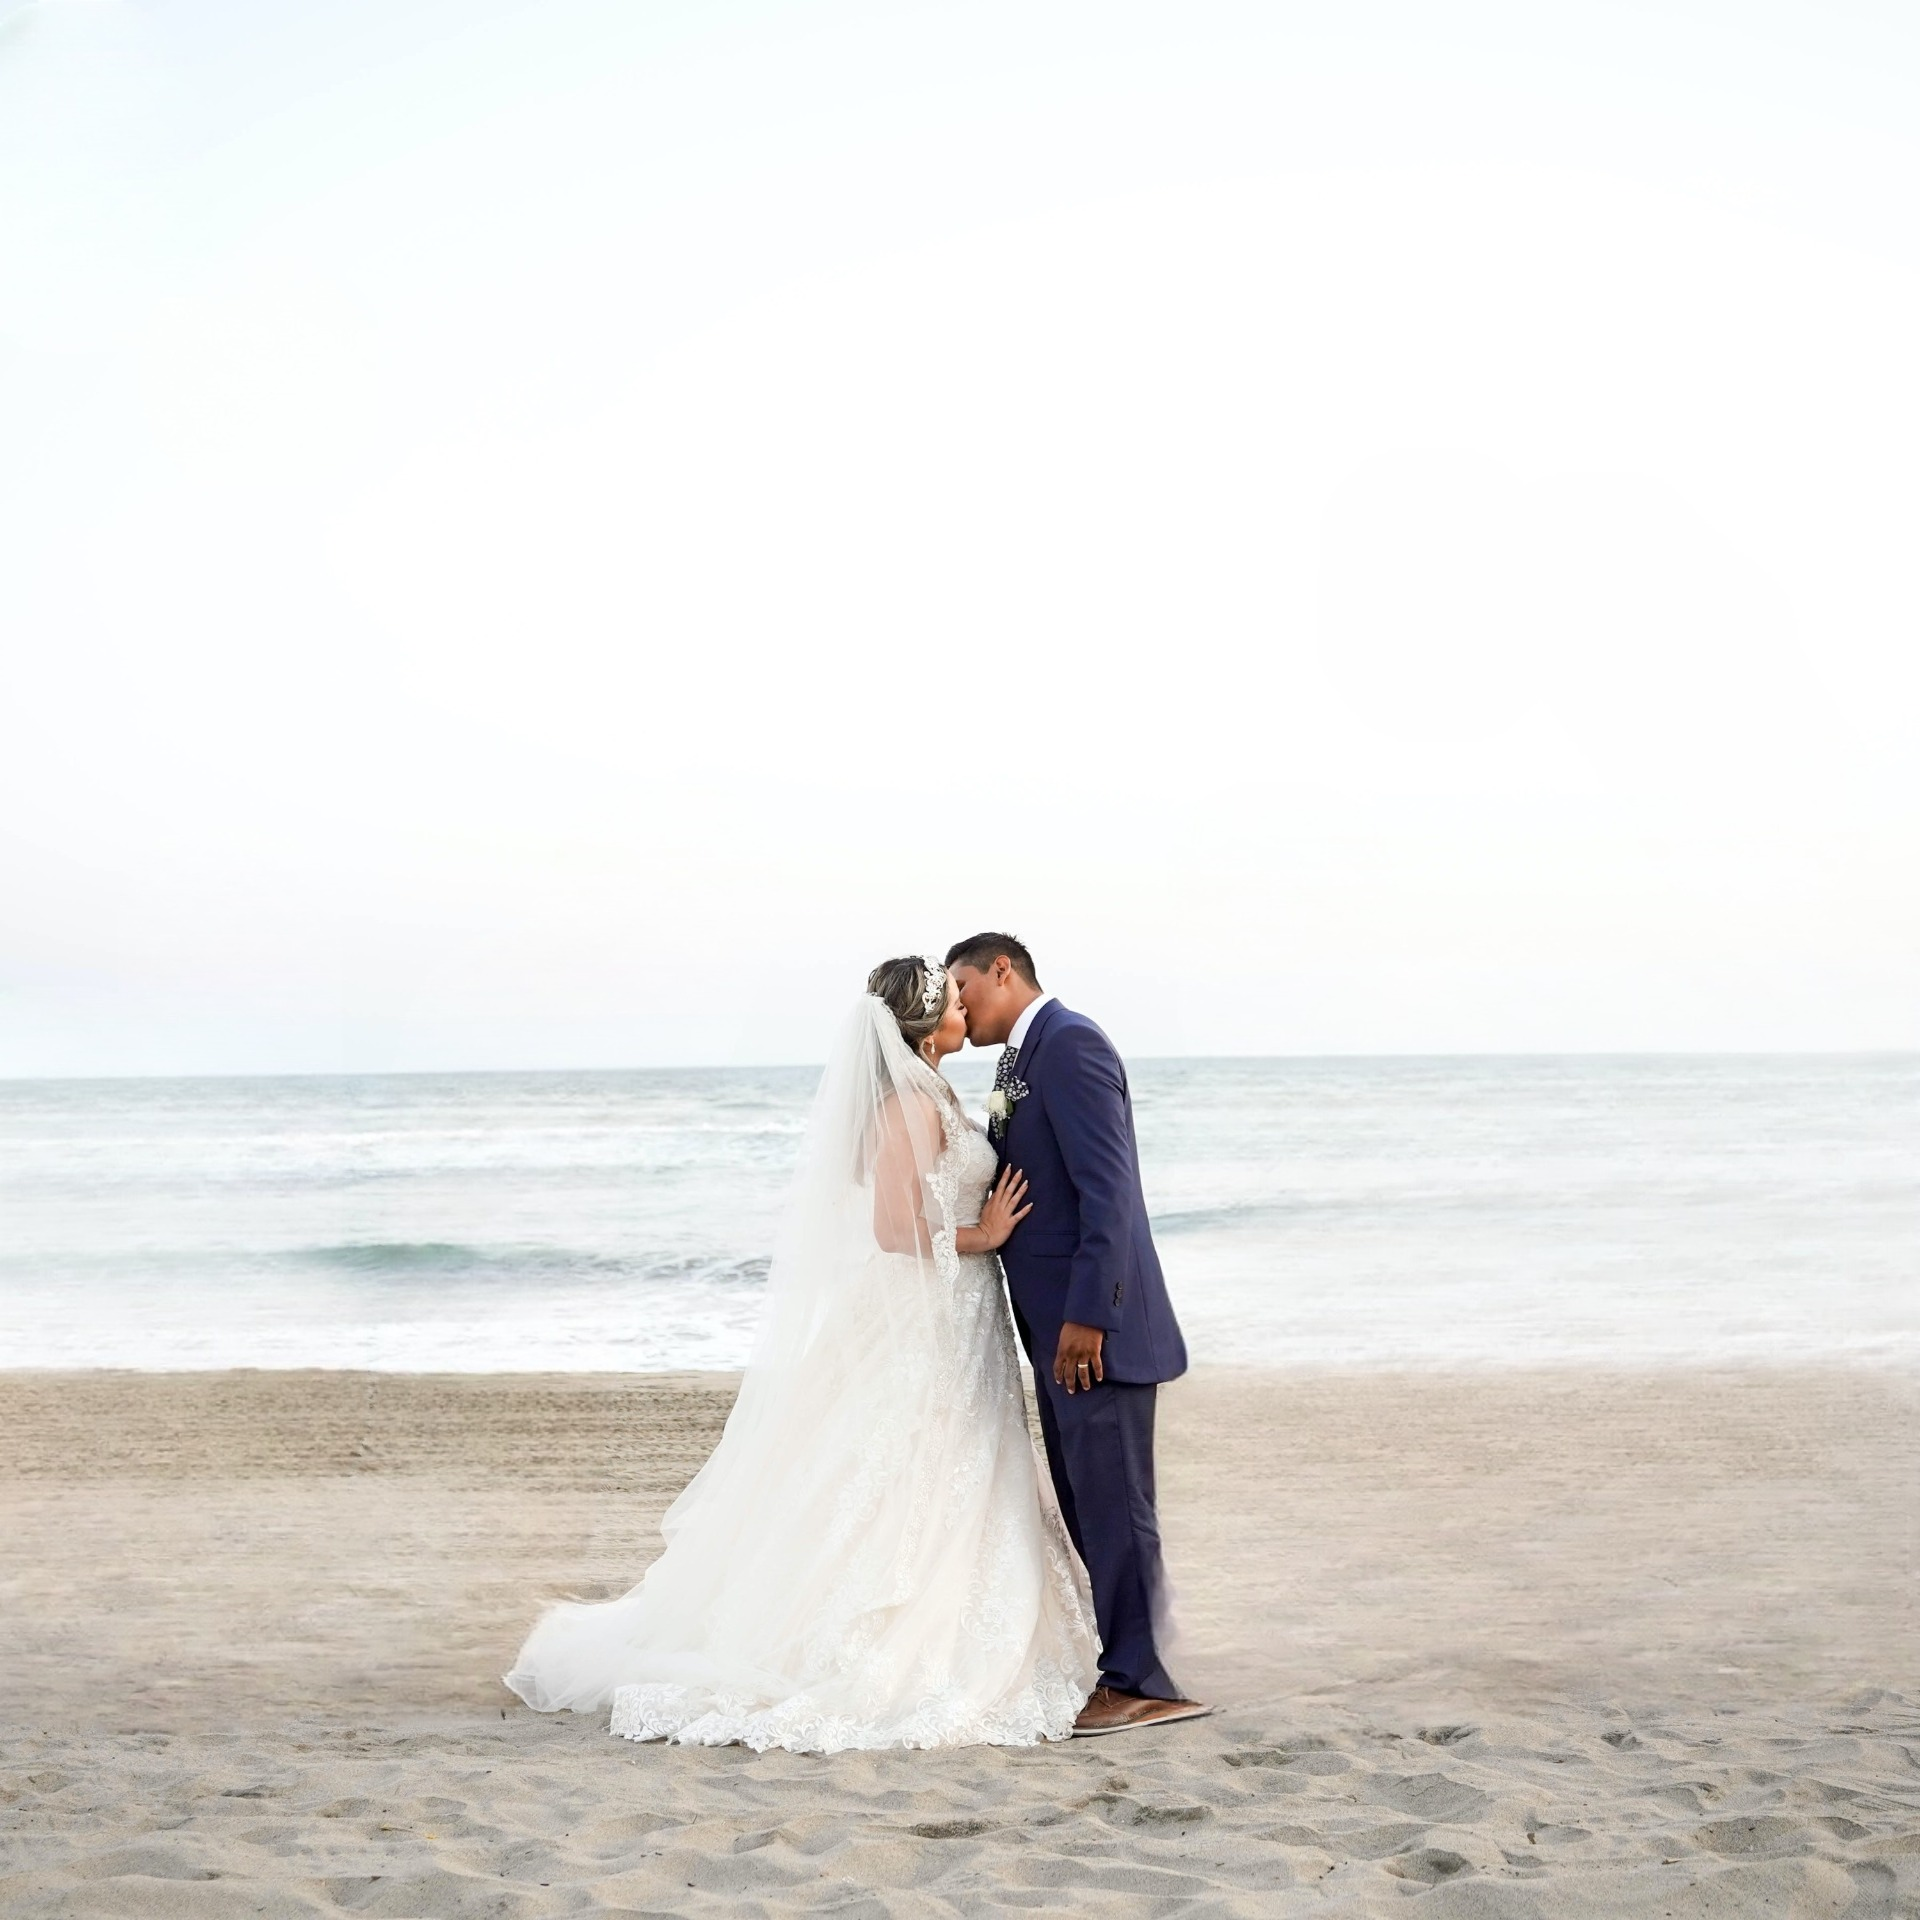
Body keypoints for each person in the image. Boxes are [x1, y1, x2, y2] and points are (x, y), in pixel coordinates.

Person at [503, 956, 1099, 1751]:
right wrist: (984, 1236)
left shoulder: (935, 1095)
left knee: (958, 1462)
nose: (965, 1010)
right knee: (901, 1467)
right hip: (928, 1314)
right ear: (927, 1028)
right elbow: (894, 1230)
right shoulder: (909, 1109)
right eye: (953, 1002)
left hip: (956, 1314)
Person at [945, 932, 1210, 1735]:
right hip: (1057, 1336)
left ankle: (1142, 1681)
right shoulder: (1016, 1064)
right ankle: (1128, 1665)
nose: (958, 1006)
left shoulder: (1070, 1044)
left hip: (1094, 1337)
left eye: (965, 987)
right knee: (1089, 1504)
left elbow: (1110, 1191)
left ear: (1004, 970)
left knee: (1116, 1508)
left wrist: (1089, 1318)